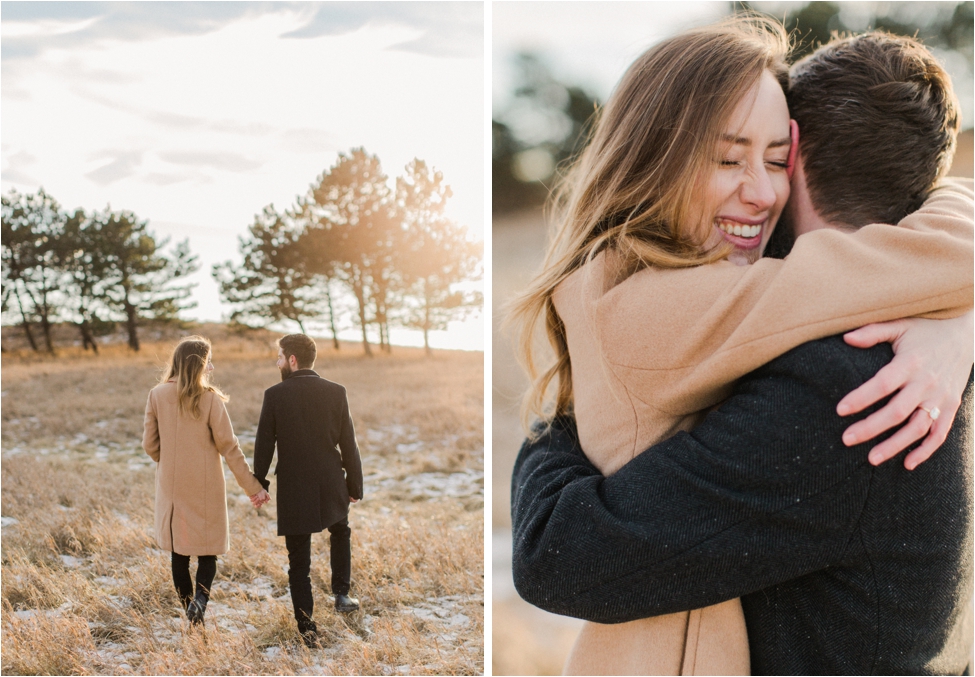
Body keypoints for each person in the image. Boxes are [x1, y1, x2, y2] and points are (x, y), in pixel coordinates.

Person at [510, 27, 973, 676]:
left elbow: (551, 553)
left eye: (773, 158)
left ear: (797, 153)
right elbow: (553, 552)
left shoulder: (836, 365)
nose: (759, 190)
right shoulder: (694, 312)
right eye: (729, 159)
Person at [142, 336, 266, 627]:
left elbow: (149, 444)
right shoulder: (210, 399)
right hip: (206, 484)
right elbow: (229, 447)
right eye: (209, 361)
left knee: (179, 551)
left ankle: (190, 612)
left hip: (172, 485)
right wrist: (253, 487)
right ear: (199, 364)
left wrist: (170, 459)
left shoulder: (157, 394)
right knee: (208, 550)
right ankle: (201, 600)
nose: (212, 367)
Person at [252, 333, 363, 647]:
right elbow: (349, 443)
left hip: (294, 485)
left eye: (279, 356)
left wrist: (258, 483)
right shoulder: (336, 391)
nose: (277, 362)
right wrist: (355, 484)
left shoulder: (274, 395)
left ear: (292, 360)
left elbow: (264, 445)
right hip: (331, 480)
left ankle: (307, 627)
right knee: (340, 530)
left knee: (298, 560)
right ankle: (341, 594)